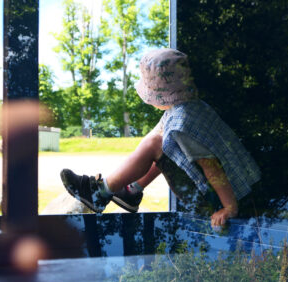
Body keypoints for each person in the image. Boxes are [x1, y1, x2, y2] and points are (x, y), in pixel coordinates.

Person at [60, 48, 261, 227]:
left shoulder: (183, 124)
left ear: (161, 95)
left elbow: (212, 167)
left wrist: (229, 207)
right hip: (218, 192)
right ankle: (131, 191)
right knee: (162, 143)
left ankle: (99, 194)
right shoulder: (190, 107)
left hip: (211, 200)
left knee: (156, 144)